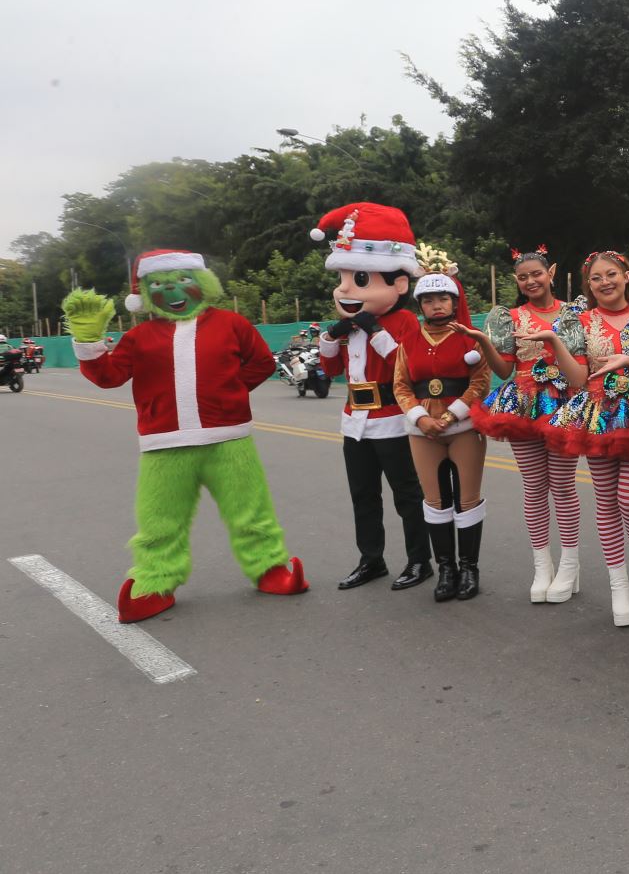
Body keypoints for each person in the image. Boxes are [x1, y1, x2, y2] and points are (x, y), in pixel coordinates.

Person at [62, 250, 307, 622]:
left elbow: (261, 362)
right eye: (158, 284)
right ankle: (154, 583)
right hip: (164, 447)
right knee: (159, 523)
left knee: (252, 514)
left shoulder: (232, 324)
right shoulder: (139, 336)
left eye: (181, 279)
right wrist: (88, 339)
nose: (172, 290)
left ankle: (270, 569)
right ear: (145, 292)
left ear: (203, 284)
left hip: (230, 441)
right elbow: (107, 376)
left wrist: (230, 393)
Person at [543, 251, 629, 626]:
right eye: (596, 278)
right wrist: (556, 342)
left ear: (627, 276)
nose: (605, 282)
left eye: (611, 274)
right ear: (590, 286)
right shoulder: (581, 321)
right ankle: (620, 583)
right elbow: (576, 378)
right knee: (605, 500)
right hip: (598, 417)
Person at [310, 203, 432, 592]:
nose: (346, 287)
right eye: (344, 277)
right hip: (355, 420)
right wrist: (331, 339)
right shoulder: (350, 324)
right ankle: (371, 558)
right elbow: (329, 374)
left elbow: (408, 368)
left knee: (407, 496)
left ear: (398, 284)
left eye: (359, 278)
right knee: (363, 496)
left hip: (394, 418)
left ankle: (419, 560)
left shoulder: (404, 321)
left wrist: (375, 330)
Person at [460, 247, 585, 602]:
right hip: (523, 404)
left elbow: (579, 365)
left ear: (552, 272)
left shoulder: (573, 314)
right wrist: (484, 341)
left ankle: (569, 565)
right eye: (523, 277)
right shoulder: (510, 316)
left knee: (562, 486)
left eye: (537, 274)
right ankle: (542, 565)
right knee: (533, 486)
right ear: (517, 281)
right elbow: (503, 370)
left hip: (563, 402)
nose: (531, 281)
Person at [391, 262, 491, 601]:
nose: (437, 305)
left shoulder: (470, 337)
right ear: (420, 305)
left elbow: (480, 382)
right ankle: (446, 569)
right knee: (434, 502)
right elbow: (401, 385)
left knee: (467, 501)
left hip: (463, 427)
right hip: (423, 433)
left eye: (443, 298)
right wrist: (420, 418)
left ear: (454, 301)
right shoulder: (408, 340)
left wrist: (449, 418)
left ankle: (469, 568)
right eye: (429, 299)